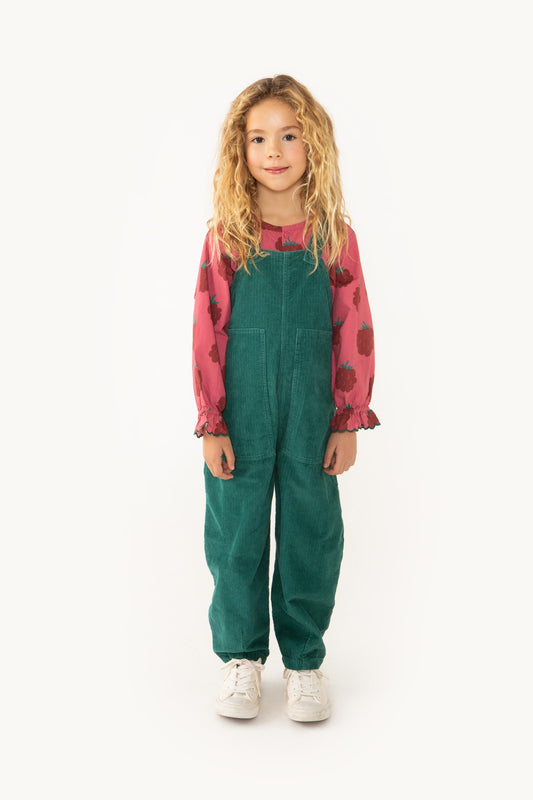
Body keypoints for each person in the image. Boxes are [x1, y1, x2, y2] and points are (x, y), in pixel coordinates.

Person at [191, 74, 381, 722]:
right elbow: (207, 328)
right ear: (239, 150)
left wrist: (347, 420)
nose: (273, 150)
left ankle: (303, 661)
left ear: (313, 144)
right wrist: (213, 420)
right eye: (258, 138)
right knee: (236, 534)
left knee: (311, 532)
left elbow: (353, 324)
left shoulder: (333, 235)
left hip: (312, 412)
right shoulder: (228, 234)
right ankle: (240, 658)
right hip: (239, 412)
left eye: (289, 135)